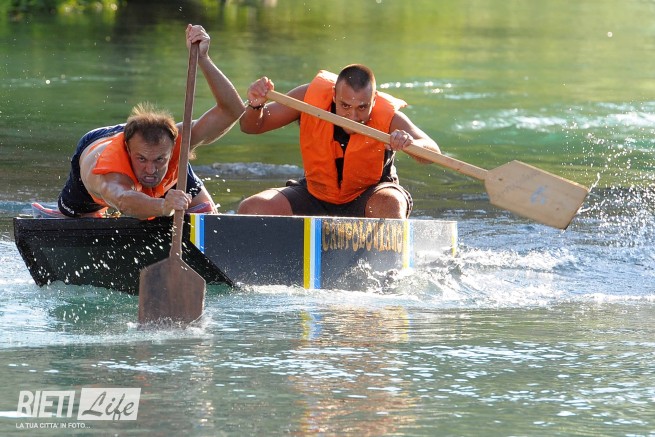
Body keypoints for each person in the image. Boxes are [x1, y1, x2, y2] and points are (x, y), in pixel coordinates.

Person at [56, 24, 245, 220]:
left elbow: (232, 110)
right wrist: (164, 206)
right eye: (141, 159)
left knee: (206, 213)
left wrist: (203, 59)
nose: (150, 170)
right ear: (128, 150)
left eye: (159, 160)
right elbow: (123, 201)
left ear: (172, 148)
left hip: (152, 145)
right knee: (81, 216)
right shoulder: (110, 172)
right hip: (94, 152)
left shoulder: (176, 142)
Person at [237, 64, 441, 219]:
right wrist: (255, 106)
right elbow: (252, 126)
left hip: (368, 196)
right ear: (334, 95)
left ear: (374, 99)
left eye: (362, 107)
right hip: (315, 194)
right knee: (252, 208)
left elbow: (433, 153)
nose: (353, 116)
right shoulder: (308, 98)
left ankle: (388, 260)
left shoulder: (389, 116)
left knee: (390, 203)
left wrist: (409, 143)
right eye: (345, 106)